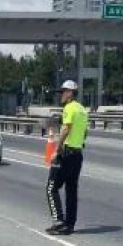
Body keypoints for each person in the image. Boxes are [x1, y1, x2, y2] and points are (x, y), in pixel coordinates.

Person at [45, 80, 88, 236]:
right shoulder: (82, 110)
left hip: (67, 153)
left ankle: (59, 222)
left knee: (51, 188)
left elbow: (65, 129)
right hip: (77, 154)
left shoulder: (69, 108)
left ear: (70, 93)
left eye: (63, 92)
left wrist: (57, 150)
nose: (61, 95)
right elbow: (84, 133)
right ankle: (69, 224)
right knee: (71, 190)